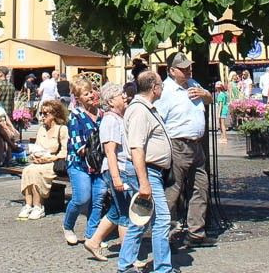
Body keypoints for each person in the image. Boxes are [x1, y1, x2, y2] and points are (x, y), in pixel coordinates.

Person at [158, 52, 215, 249]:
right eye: (183, 68)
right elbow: (158, 120)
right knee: (173, 192)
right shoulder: (165, 91)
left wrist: (206, 95)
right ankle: (166, 236)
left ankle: (196, 233)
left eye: (189, 66)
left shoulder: (194, 84)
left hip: (196, 145)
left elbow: (208, 101)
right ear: (172, 71)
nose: (188, 70)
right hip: (177, 144)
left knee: (201, 187)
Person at [121, 70, 174, 273]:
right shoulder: (139, 111)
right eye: (161, 84)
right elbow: (136, 147)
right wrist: (144, 182)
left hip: (152, 171)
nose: (162, 88)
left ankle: (125, 265)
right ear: (154, 87)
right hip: (146, 172)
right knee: (162, 219)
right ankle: (162, 268)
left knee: (140, 219)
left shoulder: (147, 108)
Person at [82, 82, 131, 261]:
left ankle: (94, 241)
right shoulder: (110, 120)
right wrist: (117, 178)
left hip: (119, 169)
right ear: (111, 101)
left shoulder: (118, 118)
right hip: (116, 170)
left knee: (117, 211)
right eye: (121, 95)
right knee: (126, 213)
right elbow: (110, 151)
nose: (125, 97)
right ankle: (128, 256)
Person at [63, 75, 105, 246]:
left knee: (99, 199)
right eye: (85, 94)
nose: (90, 96)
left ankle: (92, 235)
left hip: (99, 164)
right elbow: (79, 147)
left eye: (91, 92)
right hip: (80, 164)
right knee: (82, 199)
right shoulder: (75, 116)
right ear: (78, 98)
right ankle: (68, 226)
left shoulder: (101, 114)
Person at [18, 99, 67, 220]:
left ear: (54, 114)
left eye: (46, 113)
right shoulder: (42, 129)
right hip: (41, 160)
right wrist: (35, 156)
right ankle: (28, 204)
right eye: (41, 113)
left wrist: (51, 158)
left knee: (36, 172)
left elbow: (65, 151)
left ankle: (38, 206)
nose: (42, 116)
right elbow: (37, 147)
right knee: (28, 170)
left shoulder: (62, 129)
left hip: (55, 161)